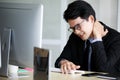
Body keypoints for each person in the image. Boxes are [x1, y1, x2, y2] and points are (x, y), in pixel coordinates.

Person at [55, 0, 120, 74]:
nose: (76, 31)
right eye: (72, 28)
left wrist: (97, 39)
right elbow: (59, 60)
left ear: (91, 19)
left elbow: (104, 71)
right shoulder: (75, 37)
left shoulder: (117, 39)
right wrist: (64, 62)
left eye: (77, 26)